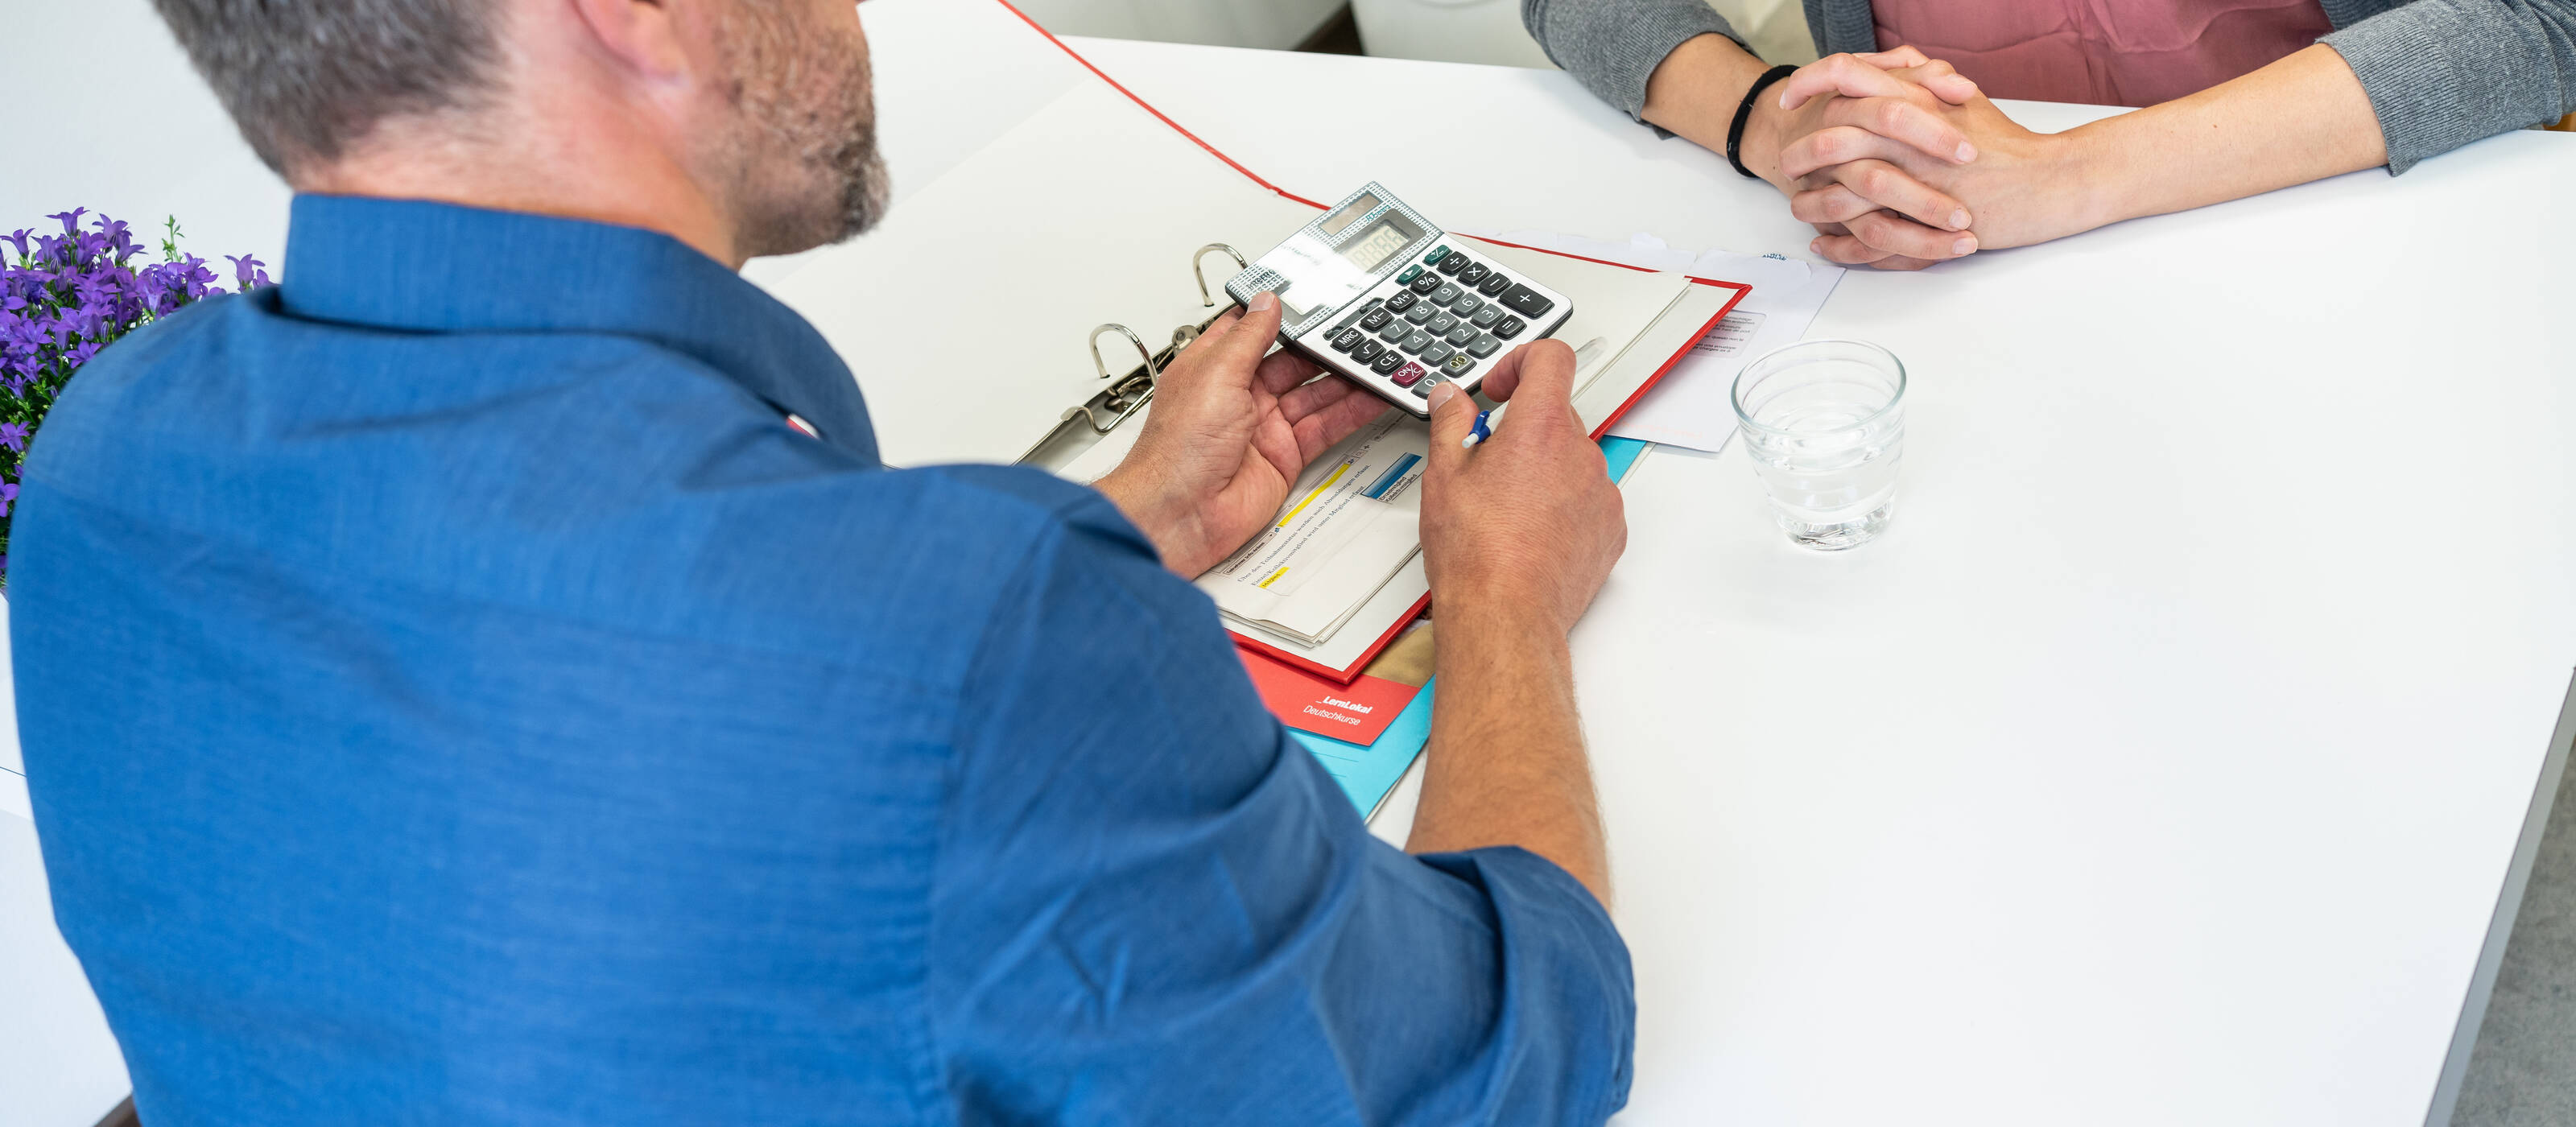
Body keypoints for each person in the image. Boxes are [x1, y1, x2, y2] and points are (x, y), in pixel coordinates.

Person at [13, 1, 1637, 1123]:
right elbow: (1502, 1050)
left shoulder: (103, 461)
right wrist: (1503, 589)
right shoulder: (967, 630)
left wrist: (1129, 522)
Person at [1525, 0, 2576, 268]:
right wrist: (1770, 122)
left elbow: (2541, 20)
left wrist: (2067, 178)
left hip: (2330, 217)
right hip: (1932, 269)